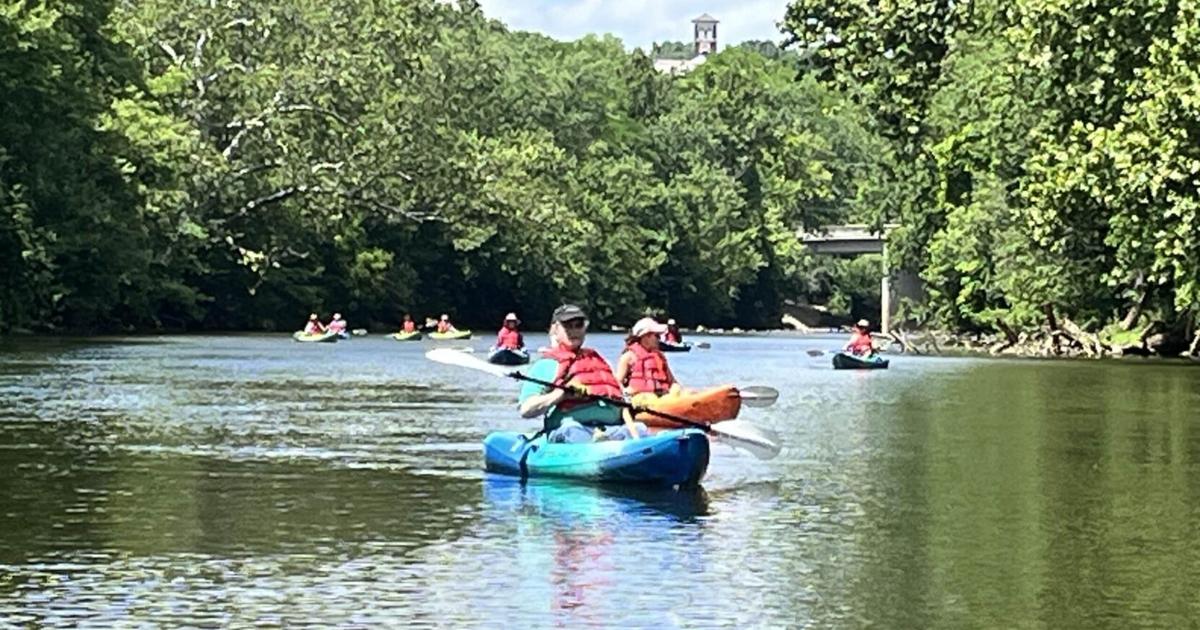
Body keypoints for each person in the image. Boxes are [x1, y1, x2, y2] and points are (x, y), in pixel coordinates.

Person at [518, 304, 645, 443]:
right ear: (555, 329)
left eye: (578, 325)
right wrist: (560, 395)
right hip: (570, 430)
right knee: (573, 430)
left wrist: (627, 401)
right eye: (567, 325)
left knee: (641, 429)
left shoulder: (599, 361)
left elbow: (617, 394)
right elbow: (526, 409)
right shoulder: (547, 365)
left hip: (609, 429)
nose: (574, 330)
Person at [615, 317, 680, 400]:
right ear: (646, 336)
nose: (659, 339)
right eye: (656, 336)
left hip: (661, 400)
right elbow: (617, 382)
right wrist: (625, 395)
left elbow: (673, 382)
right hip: (638, 400)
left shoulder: (660, 357)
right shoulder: (628, 357)